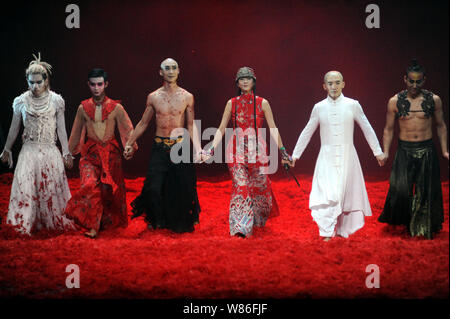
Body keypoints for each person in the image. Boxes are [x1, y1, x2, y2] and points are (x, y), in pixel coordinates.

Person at [288, 71, 386, 241]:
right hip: (327, 157)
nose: (334, 86)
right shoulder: (319, 107)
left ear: (343, 84)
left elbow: (366, 127)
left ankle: (342, 229)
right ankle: (326, 231)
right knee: (328, 193)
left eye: (337, 82)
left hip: (348, 156)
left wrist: (377, 152)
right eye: (330, 83)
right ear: (324, 86)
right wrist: (295, 155)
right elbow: (307, 131)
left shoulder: (353, 105)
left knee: (345, 192)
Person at [202, 67, 289, 238]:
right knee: (241, 186)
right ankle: (240, 227)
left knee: (260, 187)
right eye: (241, 79)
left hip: (259, 150)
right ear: (237, 83)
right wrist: (211, 149)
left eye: (248, 78)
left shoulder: (263, 103)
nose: (245, 81)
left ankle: (257, 219)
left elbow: (273, 128)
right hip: (236, 150)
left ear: (254, 81)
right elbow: (221, 128)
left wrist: (283, 151)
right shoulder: (231, 103)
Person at [123, 58, 201, 233]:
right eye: (167, 68)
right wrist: (130, 142)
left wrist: (198, 149)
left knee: (181, 187)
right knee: (153, 186)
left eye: (174, 68)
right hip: (159, 147)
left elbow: (190, 125)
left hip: (179, 147)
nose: (171, 71)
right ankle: (157, 218)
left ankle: (175, 222)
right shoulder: (154, 97)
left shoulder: (187, 97)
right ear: (161, 72)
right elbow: (143, 123)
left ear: (179, 71)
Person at [0, 53, 75, 235]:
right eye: (31, 82)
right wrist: (7, 148)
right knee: (26, 187)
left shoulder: (56, 101)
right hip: (29, 150)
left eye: (38, 82)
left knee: (49, 189)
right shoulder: (20, 101)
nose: (35, 86)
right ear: (27, 80)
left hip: (49, 150)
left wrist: (66, 152)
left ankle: (49, 223)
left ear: (46, 81)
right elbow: (14, 128)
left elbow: (61, 130)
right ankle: (24, 224)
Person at [378, 59, 448, 239]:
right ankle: (403, 220)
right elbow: (388, 128)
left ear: (424, 80)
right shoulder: (394, 101)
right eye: (411, 81)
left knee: (425, 191)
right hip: (404, 150)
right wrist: (385, 152)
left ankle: (421, 227)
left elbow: (441, 125)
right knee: (400, 190)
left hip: (426, 149)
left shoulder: (434, 100)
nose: (414, 85)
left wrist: (445, 150)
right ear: (405, 79)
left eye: (418, 81)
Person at [65, 68, 137, 238]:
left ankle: (105, 224)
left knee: (108, 191)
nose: (96, 88)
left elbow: (127, 129)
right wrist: (69, 152)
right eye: (93, 84)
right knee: (90, 186)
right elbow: (76, 132)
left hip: (111, 154)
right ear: (88, 85)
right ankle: (92, 227)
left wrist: (129, 147)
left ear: (106, 84)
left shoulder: (116, 107)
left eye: (99, 84)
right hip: (90, 154)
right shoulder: (83, 108)